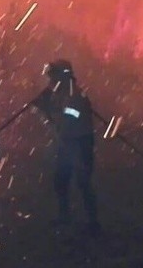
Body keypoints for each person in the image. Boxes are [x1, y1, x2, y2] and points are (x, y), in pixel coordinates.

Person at [29, 59, 101, 236]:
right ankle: (65, 215)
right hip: (67, 141)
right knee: (61, 180)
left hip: (79, 141)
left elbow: (70, 116)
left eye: (52, 76)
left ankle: (93, 222)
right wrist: (42, 104)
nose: (50, 80)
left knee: (83, 181)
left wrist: (50, 115)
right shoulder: (58, 91)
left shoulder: (74, 94)